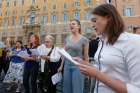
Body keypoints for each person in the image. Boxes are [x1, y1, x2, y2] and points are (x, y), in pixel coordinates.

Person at [77, 4, 140, 93]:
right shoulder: (102, 42)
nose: (92, 25)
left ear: (108, 17)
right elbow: (105, 68)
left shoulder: (133, 41)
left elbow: (137, 89)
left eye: (95, 20)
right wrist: (87, 65)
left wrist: (97, 74)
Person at [63, 19, 89, 93]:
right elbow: (64, 53)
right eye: (70, 24)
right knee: (67, 89)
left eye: (73, 24)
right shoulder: (67, 38)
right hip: (67, 65)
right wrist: (61, 66)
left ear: (79, 26)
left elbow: (86, 56)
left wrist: (86, 68)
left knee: (77, 89)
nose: (71, 25)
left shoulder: (84, 40)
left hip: (78, 66)